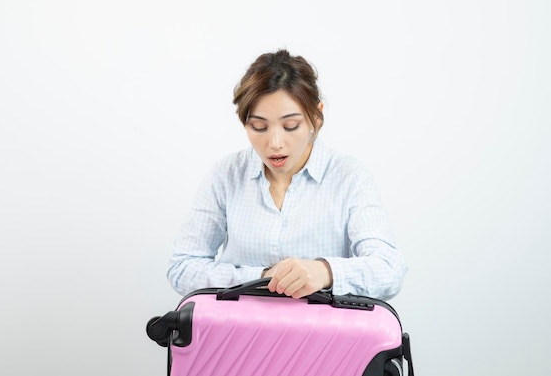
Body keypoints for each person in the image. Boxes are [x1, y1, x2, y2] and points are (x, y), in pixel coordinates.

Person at [167, 49, 406, 301]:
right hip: (239, 334)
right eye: (258, 126)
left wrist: (325, 271)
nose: (275, 143)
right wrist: (262, 277)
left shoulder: (350, 177)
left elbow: (389, 270)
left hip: (324, 336)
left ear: (316, 116)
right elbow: (182, 267)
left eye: (291, 126)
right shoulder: (225, 175)